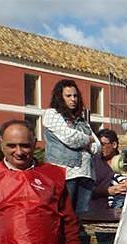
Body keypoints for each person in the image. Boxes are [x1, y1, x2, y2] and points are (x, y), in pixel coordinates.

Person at [43, 79, 100, 214]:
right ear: (60, 97)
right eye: (68, 96)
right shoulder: (52, 114)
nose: (73, 99)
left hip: (86, 174)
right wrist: (89, 139)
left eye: (75, 96)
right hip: (66, 174)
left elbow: (97, 147)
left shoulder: (82, 120)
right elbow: (70, 138)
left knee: (81, 218)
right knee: (65, 215)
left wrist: (88, 142)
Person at [90, 129, 127, 211]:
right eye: (97, 145)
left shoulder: (126, 162)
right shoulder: (93, 163)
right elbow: (85, 190)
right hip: (99, 209)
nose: (100, 148)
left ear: (114, 144)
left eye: (102, 144)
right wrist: (108, 191)